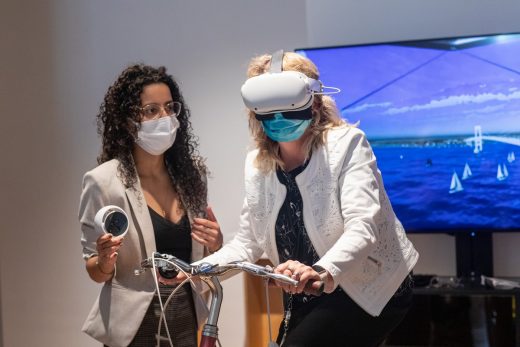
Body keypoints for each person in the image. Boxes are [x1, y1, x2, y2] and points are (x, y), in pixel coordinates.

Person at [199, 51, 419, 347]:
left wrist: (320, 270)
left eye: (287, 103)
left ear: (315, 100)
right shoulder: (257, 164)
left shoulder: (347, 145)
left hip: (367, 286)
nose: (278, 116)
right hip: (305, 290)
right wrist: (195, 272)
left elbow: (363, 225)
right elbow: (248, 242)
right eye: (268, 107)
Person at [78, 64, 223, 347]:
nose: (164, 117)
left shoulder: (192, 174)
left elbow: (202, 254)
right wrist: (105, 261)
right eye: (151, 110)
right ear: (127, 119)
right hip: (134, 324)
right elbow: (94, 270)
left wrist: (216, 244)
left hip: (186, 314)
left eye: (169, 107)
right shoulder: (102, 181)